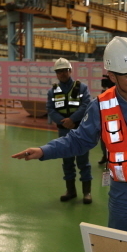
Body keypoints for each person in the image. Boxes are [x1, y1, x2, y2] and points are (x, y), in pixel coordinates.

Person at [12, 36, 127, 236]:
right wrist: (44, 150)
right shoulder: (101, 106)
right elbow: (79, 140)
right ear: (113, 76)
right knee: (119, 247)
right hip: (123, 193)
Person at [46, 57, 93, 204]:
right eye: (59, 71)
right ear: (56, 74)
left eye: (64, 70)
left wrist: (72, 119)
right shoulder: (53, 91)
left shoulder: (82, 88)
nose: (62, 74)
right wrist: (63, 122)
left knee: (83, 162)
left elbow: (86, 105)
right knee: (67, 162)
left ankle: (87, 192)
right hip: (63, 132)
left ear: (70, 71)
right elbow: (50, 109)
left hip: (81, 130)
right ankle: (71, 191)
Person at [98, 74, 116, 165]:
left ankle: (113, 158)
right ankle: (105, 155)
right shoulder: (104, 91)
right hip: (105, 119)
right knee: (103, 140)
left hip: (116, 119)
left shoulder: (117, 91)